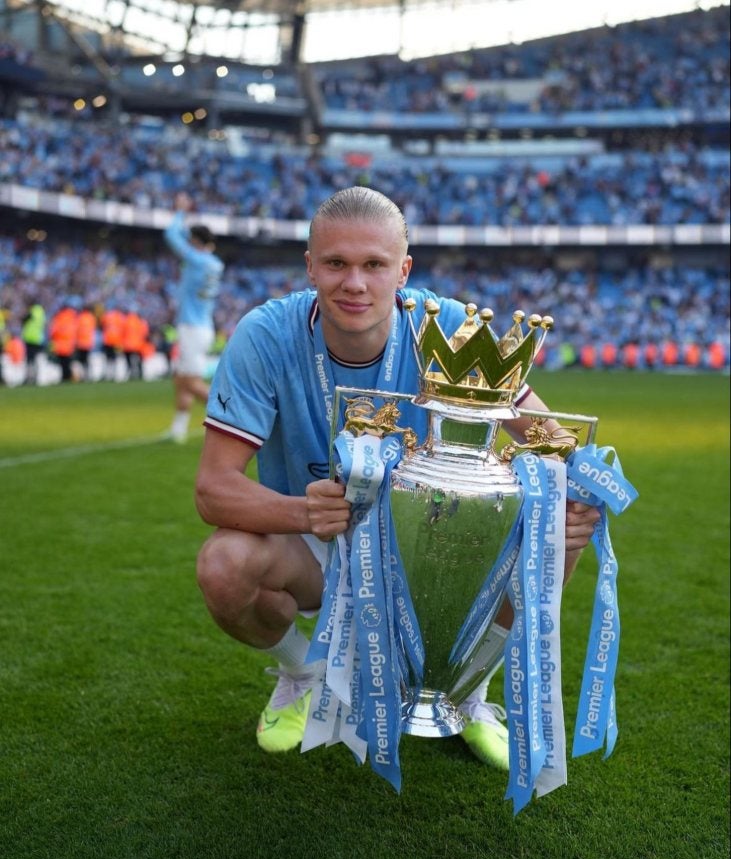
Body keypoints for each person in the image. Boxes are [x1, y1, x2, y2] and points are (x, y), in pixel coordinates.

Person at [194, 187, 599, 771]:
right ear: (310, 266)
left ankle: (467, 692)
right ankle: (305, 675)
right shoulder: (265, 336)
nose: (353, 283)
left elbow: (545, 436)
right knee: (223, 566)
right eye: (335, 263)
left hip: (430, 546)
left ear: (403, 270)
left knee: (557, 531)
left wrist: (580, 491)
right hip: (319, 546)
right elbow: (213, 489)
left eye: (373, 265)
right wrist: (306, 514)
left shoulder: (450, 328)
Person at [164, 192, 224, 443]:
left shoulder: (198, 260)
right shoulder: (214, 263)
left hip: (192, 326)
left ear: (197, 242)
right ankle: (178, 430)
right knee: (181, 379)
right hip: (202, 326)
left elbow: (170, 235)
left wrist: (180, 211)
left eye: (190, 241)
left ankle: (227, 419)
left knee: (190, 382)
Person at [21, 301, 46, 385]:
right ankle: (36, 377)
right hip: (38, 339)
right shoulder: (42, 313)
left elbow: (23, 320)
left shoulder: (32, 311)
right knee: (35, 359)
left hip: (30, 339)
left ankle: (29, 377)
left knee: (29, 360)